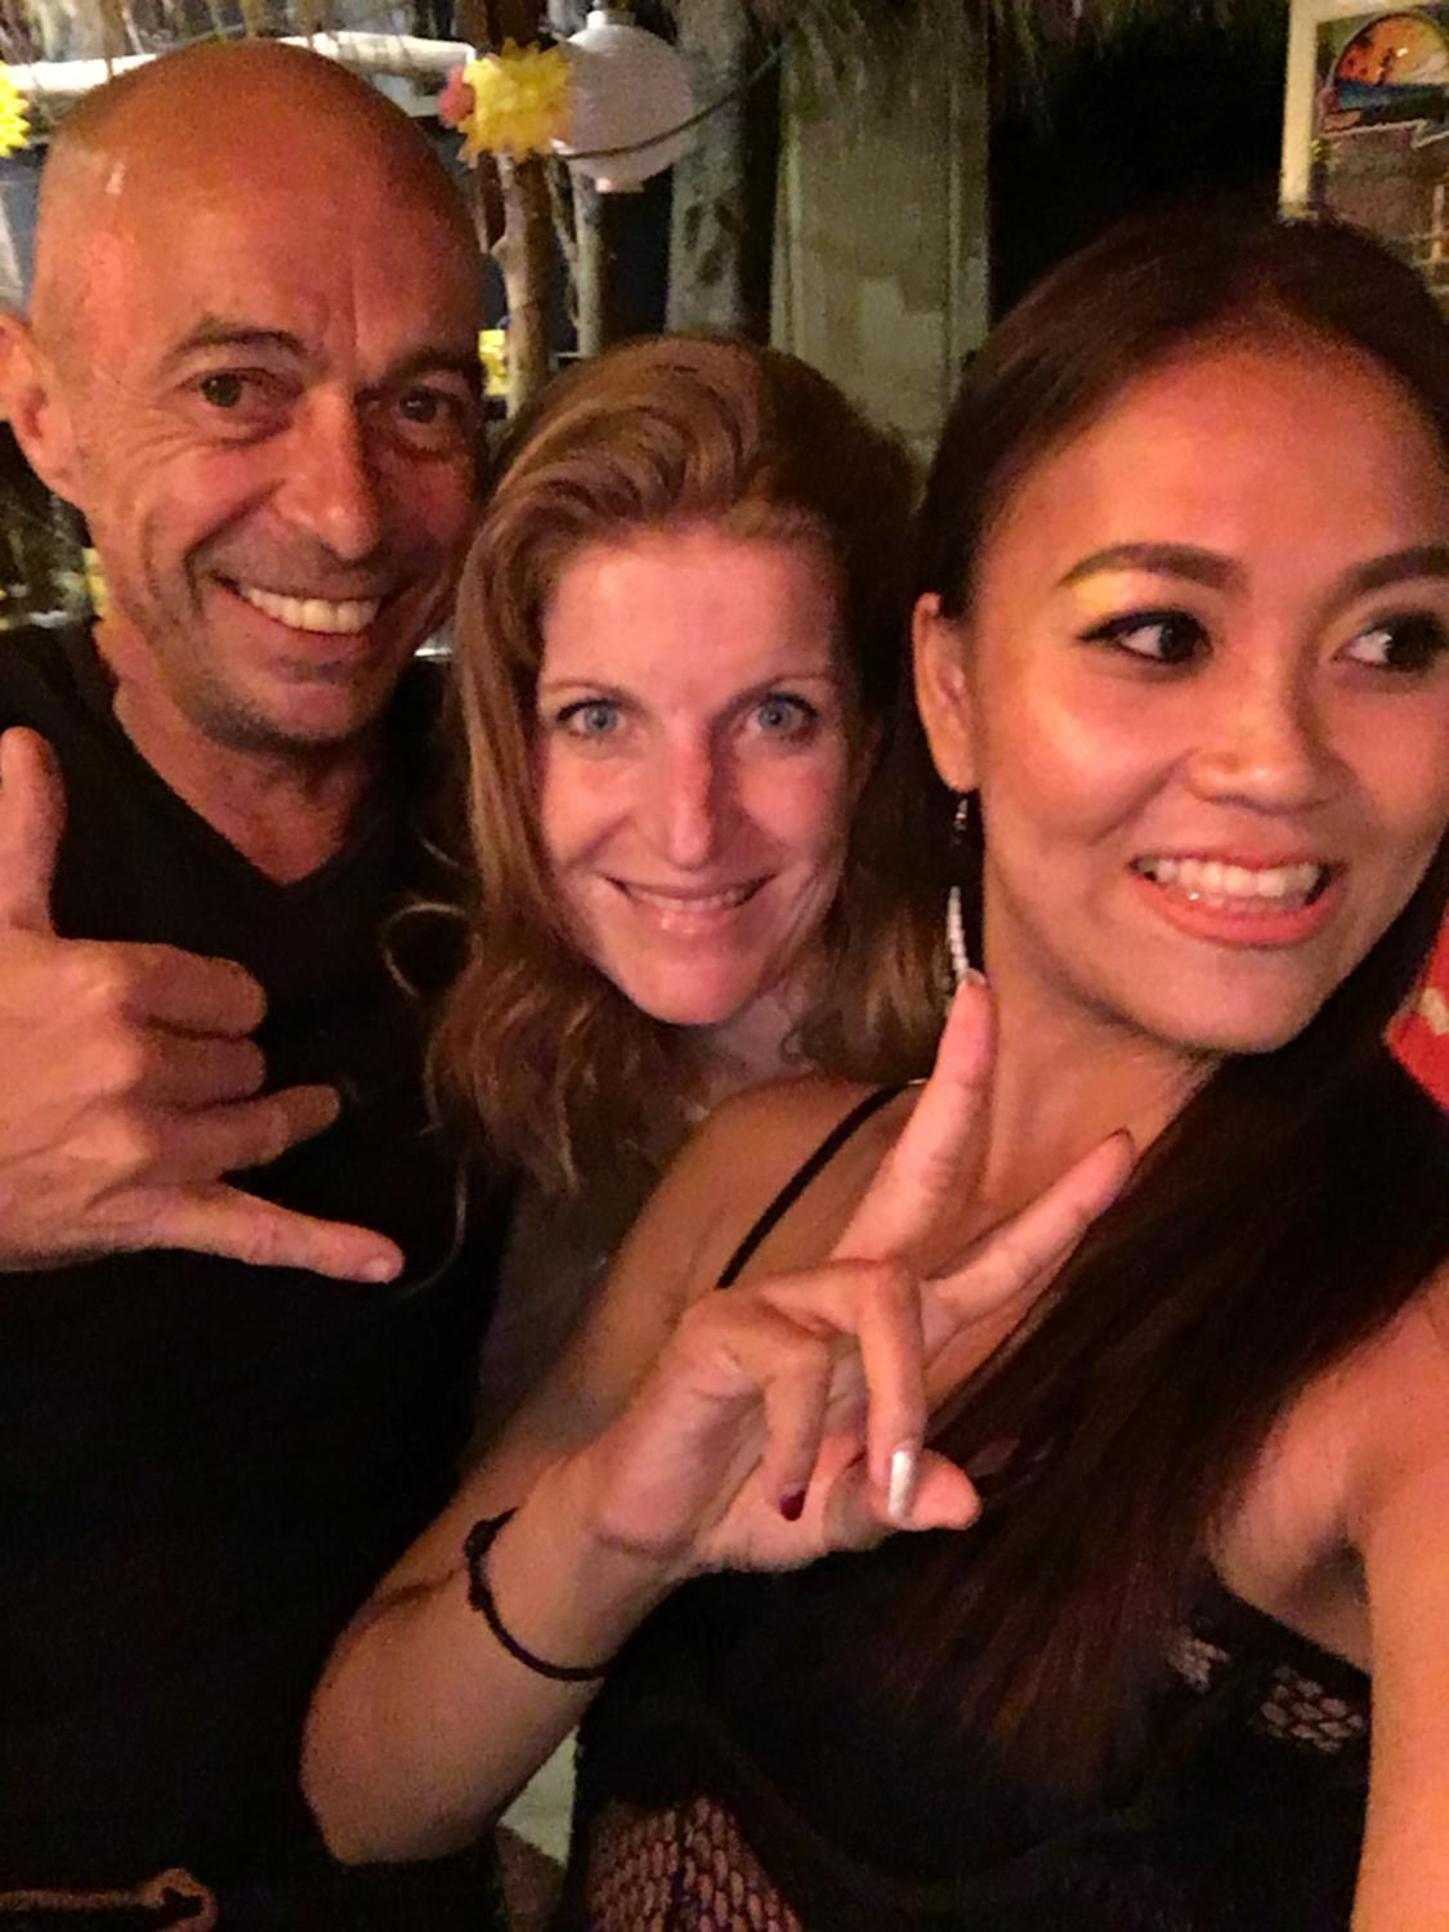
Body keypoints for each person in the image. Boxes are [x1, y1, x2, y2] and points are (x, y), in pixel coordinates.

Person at [306, 208, 1449, 1927]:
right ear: (950, 684)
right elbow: (365, 1794)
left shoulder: (1407, 1356)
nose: (1276, 760)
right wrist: (617, 1530)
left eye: (1394, 641)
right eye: (1157, 632)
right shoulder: (761, 1172)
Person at [0, 41, 509, 1922]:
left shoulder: (576, 826)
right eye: (236, 388)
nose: (351, 512)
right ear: (41, 409)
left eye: (421, 405)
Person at [435, 336, 938, 1430]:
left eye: (774, 717)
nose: (689, 830)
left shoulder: (1000, 1097)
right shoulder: (498, 1081)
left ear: (871, 738)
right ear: (515, 750)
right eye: (599, 719)